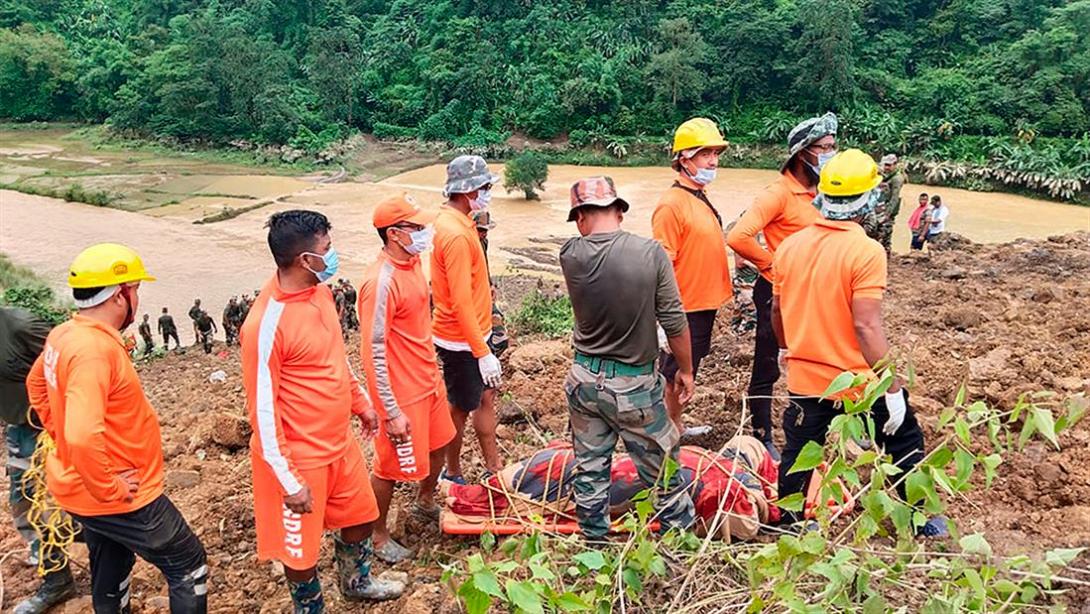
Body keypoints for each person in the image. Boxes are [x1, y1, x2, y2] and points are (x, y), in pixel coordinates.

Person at [770, 151, 945, 536]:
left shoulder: (789, 247)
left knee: (798, 454)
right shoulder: (866, 251)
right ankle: (920, 518)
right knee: (904, 439)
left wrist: (786, 348)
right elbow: (865, 326)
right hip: (856, 381)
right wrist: (893, 386)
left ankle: (790, 523)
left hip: (805, 377)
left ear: (821, 196)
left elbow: (777, 311)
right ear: (868, 198)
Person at [26, 243, 208, 613]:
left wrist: (64, 443)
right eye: (136, 290)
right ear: (122, 294)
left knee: (111, 560)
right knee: (188, 564)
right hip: (122, 493)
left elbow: (35, 385)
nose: (137, 298)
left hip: (82, 487)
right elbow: (81, 433)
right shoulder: (95, 350)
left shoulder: (64, 334)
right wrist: (109, 484)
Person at [241, 210, 405, 611]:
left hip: (339, 443)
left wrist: (361, 402)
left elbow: (334, 358)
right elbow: (261, 411)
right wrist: (288, 480)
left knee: (360, 517)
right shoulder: (266, 324)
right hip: (300, 456)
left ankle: (356, 580)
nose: (333, 257)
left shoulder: (321, 294)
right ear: (304, 260)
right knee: (300, 552)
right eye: (327, 250)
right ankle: (309, 607)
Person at [559, 176, 696, 540]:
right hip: (633, 386)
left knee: (589, 470)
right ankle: (678, 544)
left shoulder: (569, 255)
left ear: (580, 218)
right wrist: (685, 369)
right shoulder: (650, 254)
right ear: (620, 210)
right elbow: (674, 319)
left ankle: (594, 545)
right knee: (662, 470)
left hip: (584, 378)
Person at [726, 112, 838, 456]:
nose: (832, 152)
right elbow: (738, 236)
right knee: (768, 361)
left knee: (819, 357)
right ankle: (761, 433)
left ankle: (824, 426)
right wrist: (776, 267)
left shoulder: (823, 191)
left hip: (815, 292)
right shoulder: (777, 194)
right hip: (778, 291)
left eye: (834, 146)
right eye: (826, 147)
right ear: (803, 152)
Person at [358, 195, 456, 564]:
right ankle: (377, 535)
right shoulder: (379, 283)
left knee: (440, 443)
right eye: (416, 227)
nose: (425, 232)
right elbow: (373, 350)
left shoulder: (413, 264)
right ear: (395, 234)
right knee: (389, 468)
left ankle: (425, 500)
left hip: (428, 378)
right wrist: (389, 410)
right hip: (401, 392)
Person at [440, 435, 779, 542]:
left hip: (610, 474)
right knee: (542, 475)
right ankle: (459, 494)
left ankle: (459, 493)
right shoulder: (731, 477)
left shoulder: (727, 477)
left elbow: (733, 514)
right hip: (611, 472)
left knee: (545, 476)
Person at [652, 118, 732, 437]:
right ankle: (669, 431)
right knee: (674, 374)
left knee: (685, 371)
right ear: (684, 159)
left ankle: (675, 425)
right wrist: (664, 318)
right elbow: (662, 264)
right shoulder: (672, 204)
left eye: (716, 153)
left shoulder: (699, 195)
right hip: (684, 307)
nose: (713, 160)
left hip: (701, 304)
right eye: (705, 154)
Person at [431, 155, 504, 483]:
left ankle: (493, 467)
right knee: (460, 407)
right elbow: (459, 301)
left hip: (474, 332)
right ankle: (453, 472)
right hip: (462, 339)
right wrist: (482, 352)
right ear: (468, 191)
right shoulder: (456, 235)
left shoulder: (463, 223)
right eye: (485, 187)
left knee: (485, 396)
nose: (488, 193)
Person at [2, 307, 78, 614]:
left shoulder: (21, 325)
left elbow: (72, 367)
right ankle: (55, 572)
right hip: (17, 429)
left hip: (49, 430)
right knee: (24, 506)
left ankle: (103, 565)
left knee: (57, 506)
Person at [864, 153, 905, 254]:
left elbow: (894, 198)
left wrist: (887, 214)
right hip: (878, 209)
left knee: (885, 238)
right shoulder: (885, 175)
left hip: (886, 212)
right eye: (885, 165)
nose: (886, 167)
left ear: (895, 164)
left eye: (888, 165)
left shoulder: (897, 179)